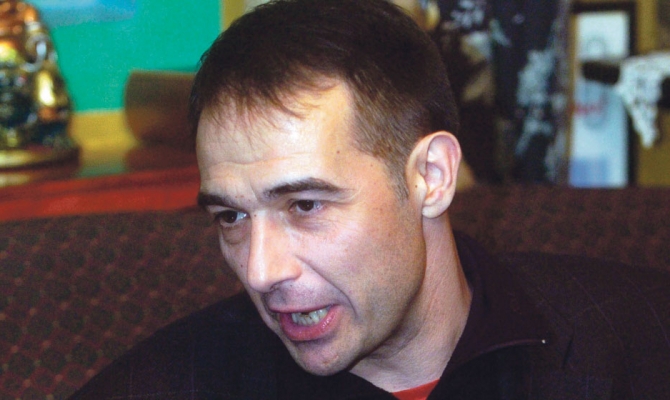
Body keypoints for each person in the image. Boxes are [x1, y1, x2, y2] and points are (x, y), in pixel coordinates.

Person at [69, 0, 670, 399]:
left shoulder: (642, 340)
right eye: (232, 216)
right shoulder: (161, 387)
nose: (259, 270)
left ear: (431, 177)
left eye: (305, 205)